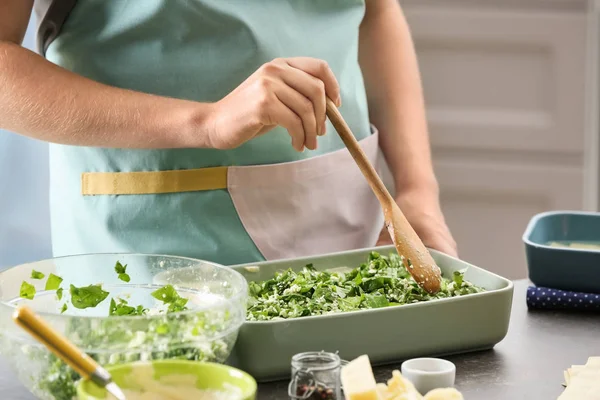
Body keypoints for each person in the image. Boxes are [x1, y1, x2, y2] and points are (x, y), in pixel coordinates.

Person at [0, 0, 457, 266]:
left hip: (351, 224)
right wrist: (207, 121)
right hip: (155, 248)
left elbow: (375, 12)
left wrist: (417, 190)